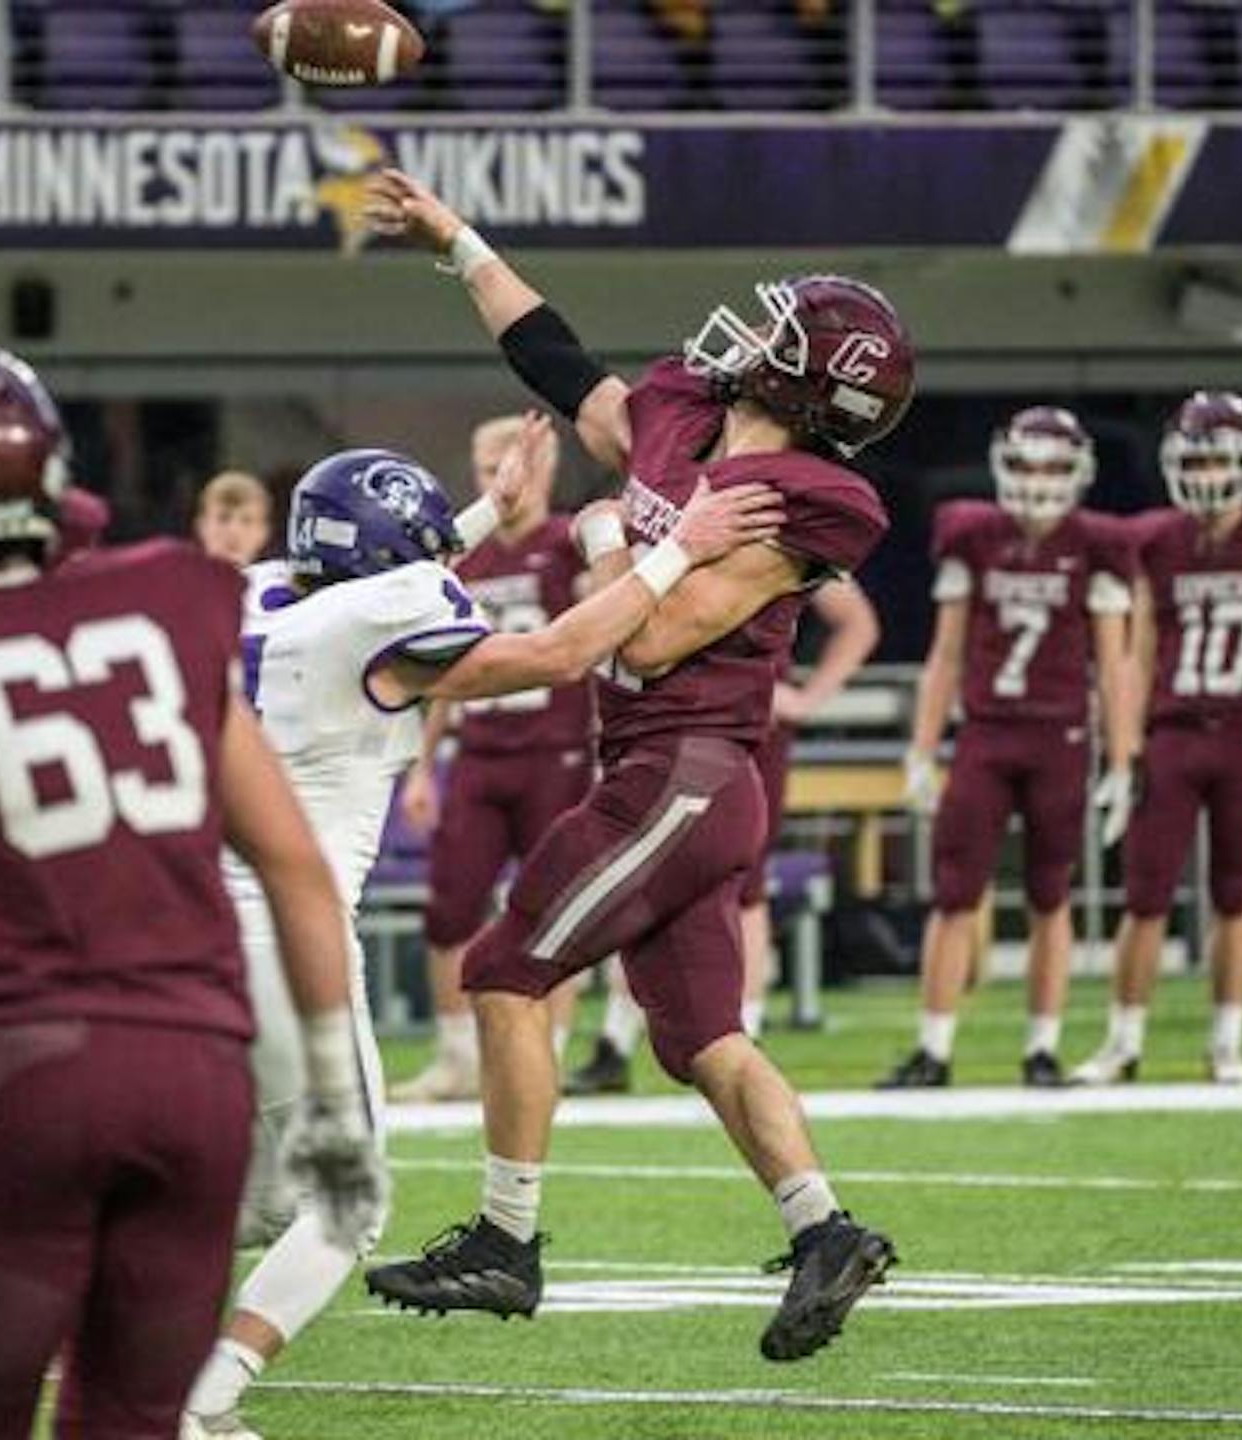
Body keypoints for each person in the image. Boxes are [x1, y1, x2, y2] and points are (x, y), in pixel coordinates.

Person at [0, 338, 385, 1438]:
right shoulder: (172, 600)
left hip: (24, 1072)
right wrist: (332, 1087)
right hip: (198, 1080)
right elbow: (296, 872)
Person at [358, 168, 912, 1363]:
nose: (751, 336)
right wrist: (456, 241)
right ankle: (825, 1230)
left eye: (780, 335)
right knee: (703, 1038)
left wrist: (608, 535)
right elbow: (557, 365)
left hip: (686, 770)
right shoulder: (687, 414)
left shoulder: (798, 502)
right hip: (669, 774)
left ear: (816, 387)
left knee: (505, 971)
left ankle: (506, 1242)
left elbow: (651, 633)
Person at [186, 422, 775, 1440]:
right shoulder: (387, 615)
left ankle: (100, 1293)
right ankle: (202, 1396)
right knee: (345, 1207)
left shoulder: (265, 591)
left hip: (185, 928)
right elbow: (560, 650)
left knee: (268, 1202)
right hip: (287, 937)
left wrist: (476, 513)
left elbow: (372, 570)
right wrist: (683, 545)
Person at [876, 407, 1138, 1090]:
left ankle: (1041, 1049)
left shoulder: (1097, 545)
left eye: (1053, 466)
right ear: (1002, 464)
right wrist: (922, 749)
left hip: (1061, 736)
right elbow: (946, 654)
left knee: (1052, 897)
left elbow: (1115, 666)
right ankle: (933, 1049)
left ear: (1078, 472)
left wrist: (1122, 760)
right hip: (988, 733)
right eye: (1026, 464)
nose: (1038, 480)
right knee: (956, 894)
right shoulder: (976, 536)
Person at [1071, 392, 1242, 1086]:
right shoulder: (1156, 541)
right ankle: (1123, 1041)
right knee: (1146, 895)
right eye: (1197, 456)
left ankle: (1226, 1041)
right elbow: (1137, 655)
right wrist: (1122, 755)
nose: (1208, 469)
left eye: (1219, 455)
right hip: (1174, 735)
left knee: (1235, 893)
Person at [567, 575, 878, 1095]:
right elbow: (594, 596)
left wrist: (807, 698)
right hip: (665, 716)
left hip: (744, 721)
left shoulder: (768, 520)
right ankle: (617, 1040)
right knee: (641, 874)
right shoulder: (663, 515)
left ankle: (744, 1036)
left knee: (744, 880)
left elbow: (857, 619)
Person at [390, 414, 594, 1105]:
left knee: (556, 912)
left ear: (548, 468)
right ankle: (455, 1060)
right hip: (479, 752)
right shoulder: (464, 557)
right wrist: (422, 765)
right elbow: (449, 671)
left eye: (520, 465)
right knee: (448, 908)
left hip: (555, 752)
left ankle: (552, 1056)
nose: (505, 481)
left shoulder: (571, 544)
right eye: (487, 469)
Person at [194, 469, 273, 568]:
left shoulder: (277, 581)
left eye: (247, 521)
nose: (234, 530)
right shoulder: (180, 580)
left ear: (263, 532)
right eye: (223, 518)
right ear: (202, 526)